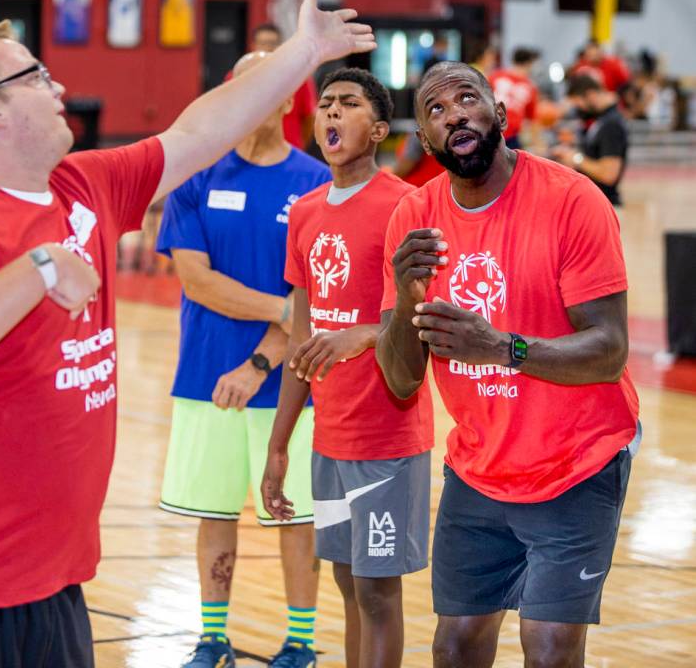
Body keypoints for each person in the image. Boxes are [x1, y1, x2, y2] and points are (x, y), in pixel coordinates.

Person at [0, 0, 375, 667]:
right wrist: (41, 266)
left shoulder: (84, 185)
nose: (58, 85)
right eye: (34, 76)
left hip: (57, 579)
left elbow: (201, 131)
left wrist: (305, 50)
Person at [376, 61, 639, 668]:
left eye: (466, 99)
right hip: (479, 469)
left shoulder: (572, 200)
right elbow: (401, 378)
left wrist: (501, 348)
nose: (454, 115)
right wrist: (402, 295)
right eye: (435, 111)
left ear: (498, 113)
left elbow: (609, 352)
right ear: (423, 138)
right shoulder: (413, 218)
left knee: (547, 648)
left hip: (577, 462)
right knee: (458, 643)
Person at [156, 49, 331, 668]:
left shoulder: (315, 183)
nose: (255, 95)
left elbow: (310, 298)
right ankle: (212, 639)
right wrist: (281, 312)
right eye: (243, 83)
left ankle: (301, 644)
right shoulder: (197, 177)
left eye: (269, 85)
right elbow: (197, 281)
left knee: (292, 516)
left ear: (287, 99)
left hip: (290, 383)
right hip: (204, 378)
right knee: (213, 512)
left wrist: (259, 362)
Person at [261, 68, 434, 668]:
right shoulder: (305, 212)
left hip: (387, 437)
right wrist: (279, 446)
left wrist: (363, 335)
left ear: (380, 129)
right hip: (329, 439)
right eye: (326, 105)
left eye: (349, 105)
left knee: (378, 592)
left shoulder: (404, 207)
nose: (331, 114)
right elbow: (300, 340)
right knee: (345, 582)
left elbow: (422, 322)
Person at [553, 72, 629, 207]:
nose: (578, 109)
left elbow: (609, 174)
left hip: (604, 203)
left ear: (591, 95)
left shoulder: (612, 124)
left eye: (578, 104)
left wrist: (576, 158)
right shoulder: (601, 119)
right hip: (594, 200)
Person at [250, 22, 318, 150]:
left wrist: (298, 147)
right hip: (251, 153)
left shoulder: (299, 77)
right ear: (254, 46)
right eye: (263, 43)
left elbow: (310, 117)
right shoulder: (238, 75)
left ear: (281, 46)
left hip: (289, 151)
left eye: (272, 43)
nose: (267, 48)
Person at [489, 47, 541, 151]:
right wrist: (538, 144)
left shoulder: (494, 76)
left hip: (488, 130)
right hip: (509, 136)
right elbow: (533, 120)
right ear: (529, 64)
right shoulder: (530, 87)